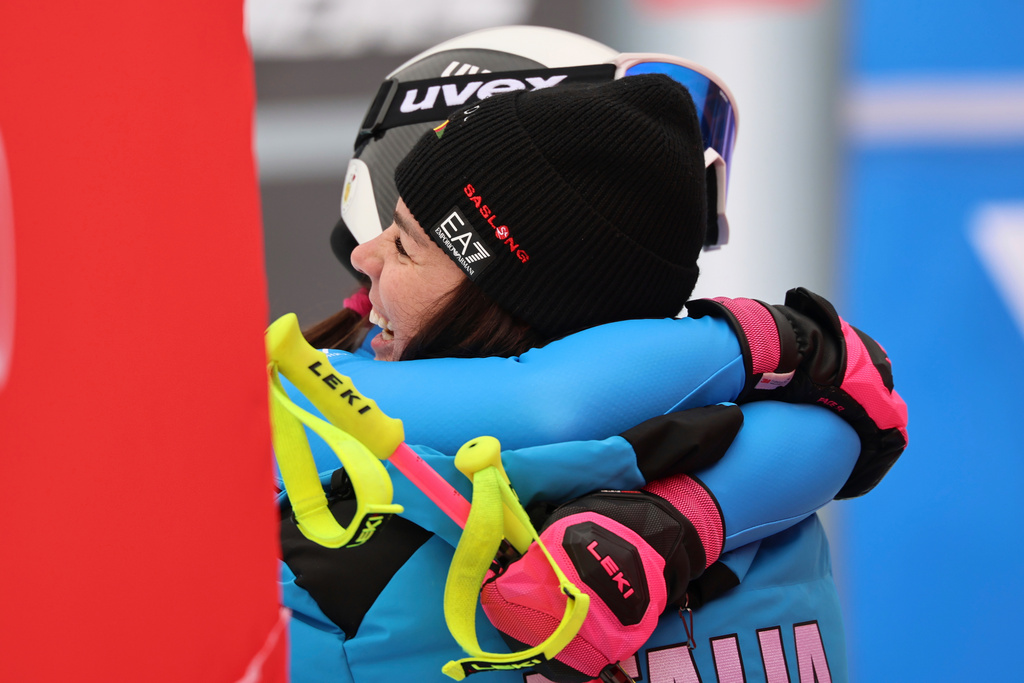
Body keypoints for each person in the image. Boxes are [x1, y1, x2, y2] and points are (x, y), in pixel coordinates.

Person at [276, 27, 906, 683]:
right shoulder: (785, 530)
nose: (363, 257)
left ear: (506, 300)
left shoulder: (337, 554)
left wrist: (766, 344)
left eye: (405, 244)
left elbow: (542, 403)